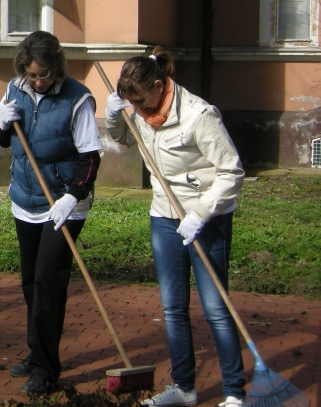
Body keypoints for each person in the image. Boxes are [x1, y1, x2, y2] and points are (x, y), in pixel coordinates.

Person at [105, 47, 245, 407]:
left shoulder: (199, 115)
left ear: (158, 85)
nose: (140, 110)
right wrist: (113, 117)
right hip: (164, 216)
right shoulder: (138, 107)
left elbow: (231, 171)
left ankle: (233, 393)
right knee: (172, 307)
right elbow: (123, 138)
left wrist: (201, 213)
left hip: (205, 219)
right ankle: (184, 388)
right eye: (132, 103)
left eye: (143, 102)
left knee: (215, 307)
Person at [0, 31, 102, 395]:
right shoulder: (16, 87)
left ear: (56, 67)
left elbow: (90, 157)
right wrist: (3, 124)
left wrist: (73, 197)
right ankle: (36, 351)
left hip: (63, 204)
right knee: (28, 281)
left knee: (48, 284)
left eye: (43, 75)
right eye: (31, 75)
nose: (37, 82)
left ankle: (45, 368)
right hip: (26, 199)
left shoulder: (77, 99)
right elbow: (3, 138)